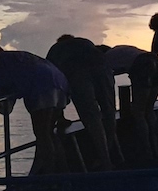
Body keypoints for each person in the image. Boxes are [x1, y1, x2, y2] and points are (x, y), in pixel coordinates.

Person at [0, 46, 75, 174]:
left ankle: (52, 174)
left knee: (42, 134)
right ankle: (63, 172)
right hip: (59, 83)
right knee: (49, 133)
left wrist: (4, 108)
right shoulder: (21, 56)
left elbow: (3, 90)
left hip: (41, 87)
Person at [45, 34, 119, 171]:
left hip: (77, 74)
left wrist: (60, 116)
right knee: (109, 112)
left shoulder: (55, 50)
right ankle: (108, 157)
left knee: (92, 117)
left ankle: (105, 160)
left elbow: (54, 82)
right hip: (102, 68)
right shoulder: (85, 42)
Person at [100, 43, 158, 166]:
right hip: (156, 61)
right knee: (149, 110)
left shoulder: (105, 59)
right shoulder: (120, 50)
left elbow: (107, 78)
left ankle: (146, 151)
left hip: (143, 65)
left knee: (138, 112)